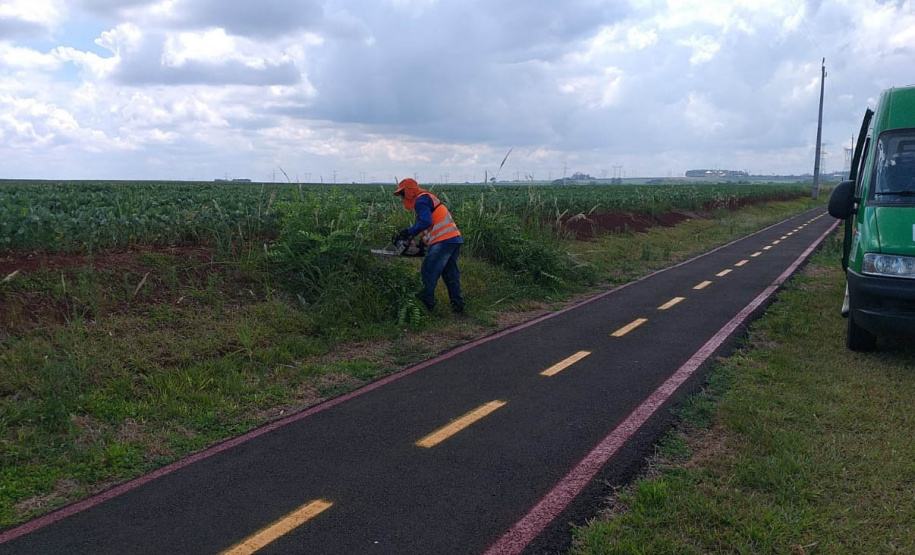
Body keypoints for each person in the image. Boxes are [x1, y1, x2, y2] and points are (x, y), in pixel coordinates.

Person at [393, 178, 465, 313]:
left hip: (443, 240)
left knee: (428, 271)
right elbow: (431, 225)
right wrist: (422, 245)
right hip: (454, 239)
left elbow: (425, 221)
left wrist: (407, 233)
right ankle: (458, 306)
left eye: (403, 193)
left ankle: (426, 307)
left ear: (409, 191)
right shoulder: (427, 198)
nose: (402, 197)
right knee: (450, 274)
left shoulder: (421, 200)